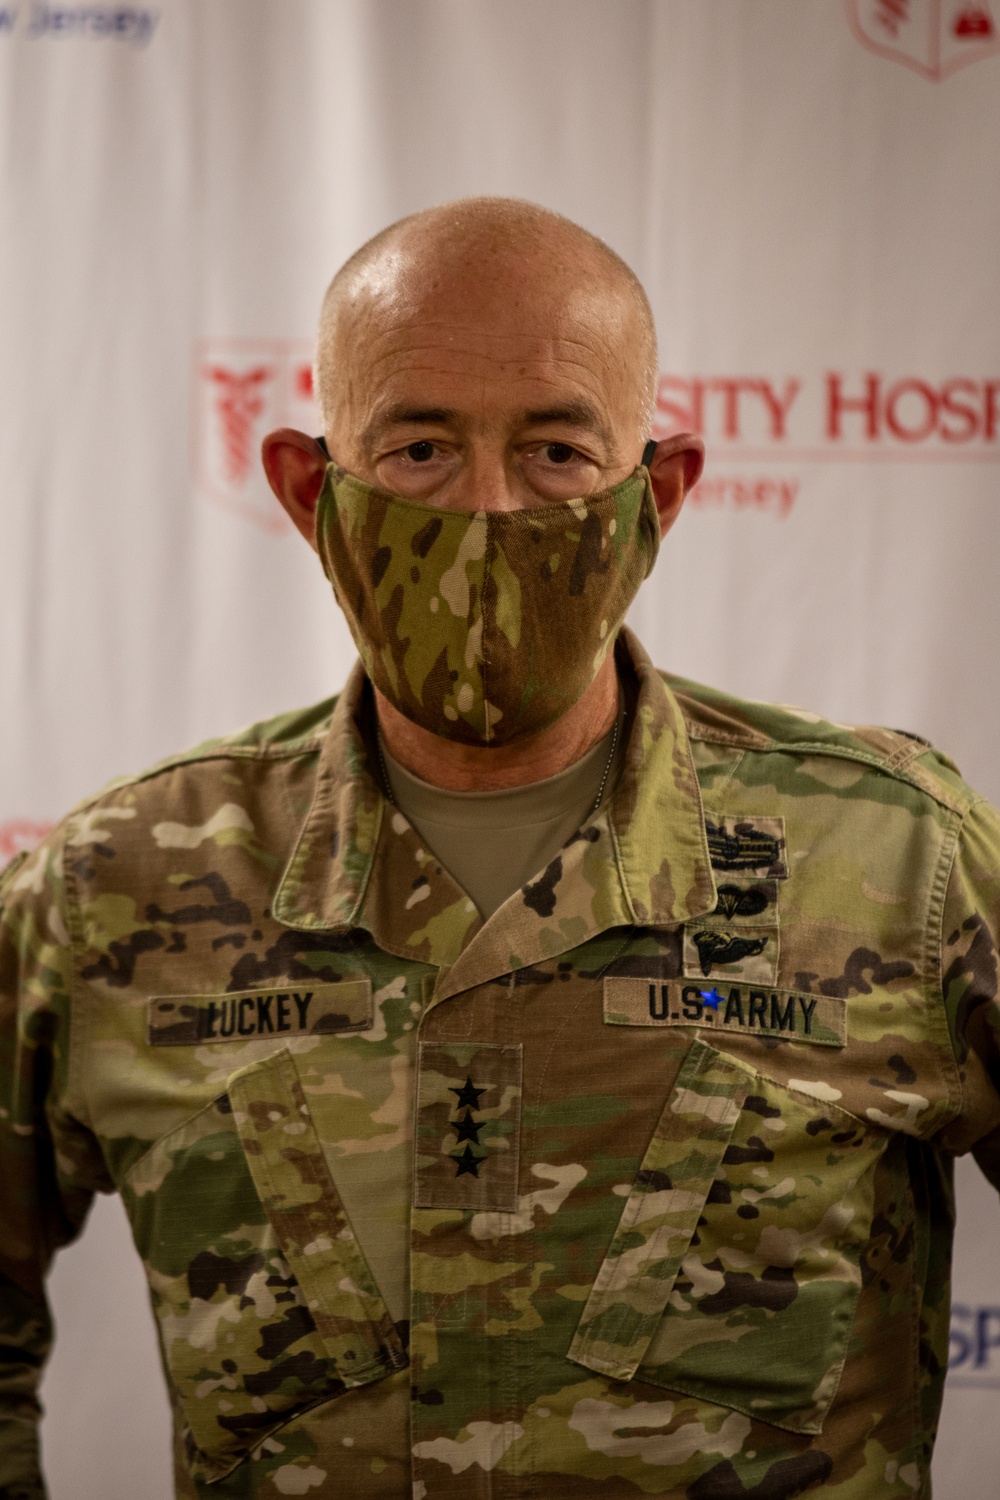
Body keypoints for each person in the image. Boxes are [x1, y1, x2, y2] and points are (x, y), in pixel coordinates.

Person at [1, 197, 999, 1500]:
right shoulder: (117, 886)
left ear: (659, 497)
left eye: (558, 454)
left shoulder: (895, 860)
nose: (487, 508)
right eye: (418, 449)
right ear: (314, 494)